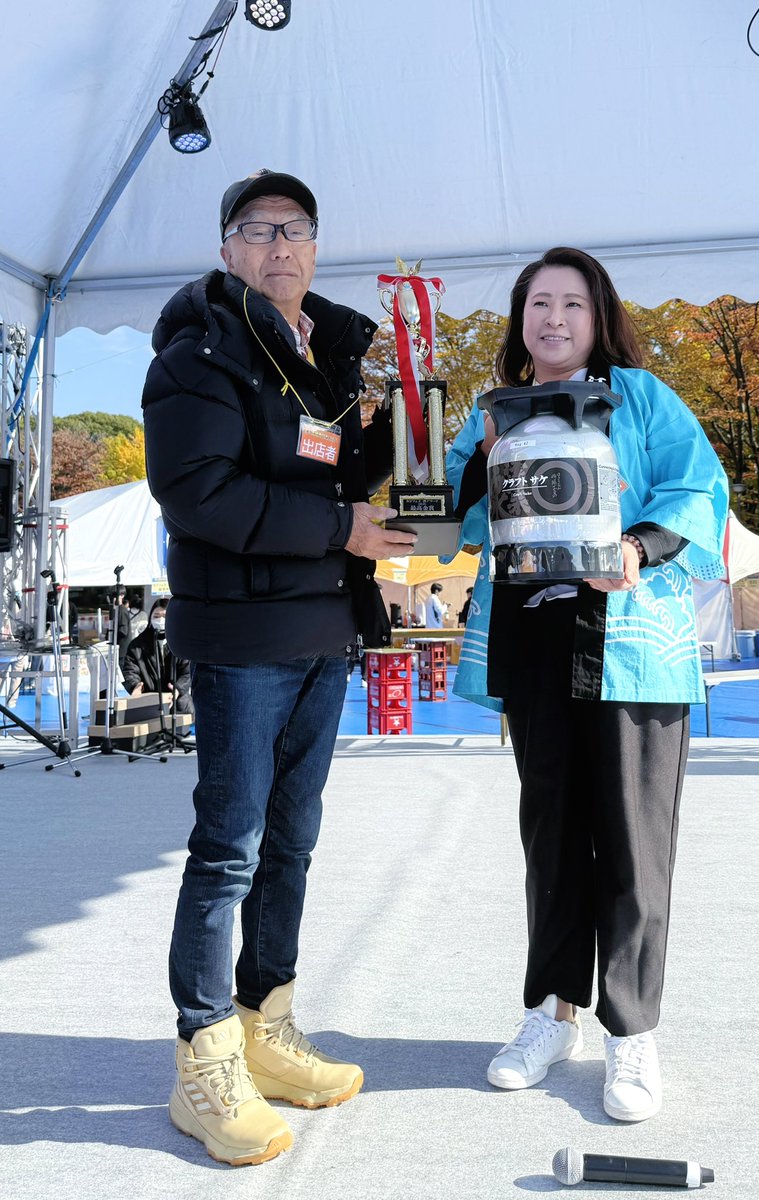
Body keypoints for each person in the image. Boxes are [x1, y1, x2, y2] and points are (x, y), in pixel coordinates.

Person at [142, 168, 416, 1166]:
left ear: (315, 246)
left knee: (292, 845)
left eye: (296, 229)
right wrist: (342, 524)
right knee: (230, 848)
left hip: (323, 634)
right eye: (257, 230)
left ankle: (267, 1023)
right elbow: (200, 495)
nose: (279, 246)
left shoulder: (332, 353)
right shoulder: (197, 357)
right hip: (242, 643)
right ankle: (204, 1056)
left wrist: (393, 423)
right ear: (227, 249)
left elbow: (352, 477)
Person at [446, 248, 727, 1123]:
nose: (555, 319)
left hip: (634, 638)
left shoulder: (645, 398)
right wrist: (475, 456)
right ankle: (550, 1012)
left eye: (573, 304)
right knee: (552, 832)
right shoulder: (491, 411)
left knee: (636, 845)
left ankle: (632, 1030)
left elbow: (700, 487)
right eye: (539, 303)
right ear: (520, 319)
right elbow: (446, 510)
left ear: (599, 317)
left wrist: (637, 548)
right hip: (534, 640)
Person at [122, 599, 194, 715]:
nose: (160, 620)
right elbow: (130, 670)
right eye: (156, 616)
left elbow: (188, 671)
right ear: (150, 617)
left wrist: (178, 688)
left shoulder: (181, 642)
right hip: (149, 705)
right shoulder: (137, 645)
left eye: (165, 616)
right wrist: (135, 685)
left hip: (179, 706)